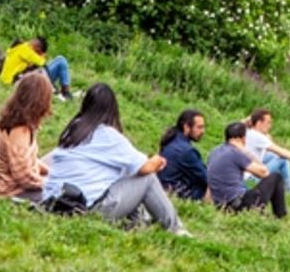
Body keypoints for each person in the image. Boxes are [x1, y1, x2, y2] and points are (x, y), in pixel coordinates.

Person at [43, 83, 188, 234]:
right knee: (147, 179)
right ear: (112, 109)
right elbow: (146, 167)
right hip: (84, 209)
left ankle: (138, 222)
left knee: (121, 175)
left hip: (55, 202)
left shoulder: (73, 129)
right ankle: (175, 229)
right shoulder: (108, 136)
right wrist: (158, 160)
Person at [0, 69, 54, 202]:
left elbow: (29, 160)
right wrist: (52, 183)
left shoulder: (21, 123)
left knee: (59, 156)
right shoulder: (18, 132)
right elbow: (23, 177)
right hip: (16, 191)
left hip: (25, 183)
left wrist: (50, 172)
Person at [207, 120, 289, 218]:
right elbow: (264, 172)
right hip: (239, 205)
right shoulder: (236, 153)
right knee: (276, 177)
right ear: (243, 138)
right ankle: (280, 215)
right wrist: (245, 151)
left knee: (250, 184)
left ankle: (262, 213)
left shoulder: (214, 152)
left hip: (222, 206)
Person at [0, 35, 74, 102]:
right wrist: (54, 87)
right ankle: (65, 91)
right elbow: (43, 64)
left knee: (57, 60)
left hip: (9, 78)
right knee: (61, 60)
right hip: (16, 81)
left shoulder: (21, 46)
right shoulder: (27, 51)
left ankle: (63, 90)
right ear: (38, 48)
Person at [157, 109, 209, 201]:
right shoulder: (186, 151)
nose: (203, 131)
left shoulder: (172, 140)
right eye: (199, 127)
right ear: (186, 127)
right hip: (177, 193)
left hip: (163, 188)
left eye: (203, 127)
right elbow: (206, 177)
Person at [242, 108, 290, 188]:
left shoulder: (248, 132)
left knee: (273, 156)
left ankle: (287, 182)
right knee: (282, 159)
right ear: (259, 123)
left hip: (243, 182)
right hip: (249, 184)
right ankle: (289, 188)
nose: (270, 126)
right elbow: (280, 151)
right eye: (268, 122)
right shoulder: (257, 136)